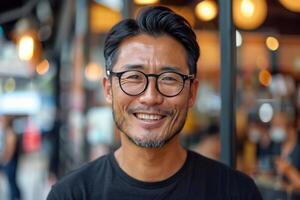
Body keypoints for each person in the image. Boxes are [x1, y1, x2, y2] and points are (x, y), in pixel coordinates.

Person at [47, 6, 262, 199]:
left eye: (169, 79)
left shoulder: (236, 192)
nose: (150, 97)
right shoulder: (71, 194)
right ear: (108, 89)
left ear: (191, 93)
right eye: (133, 77)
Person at [0, 116, 21, 200]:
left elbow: (10, 149)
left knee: (11, 182)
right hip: (9, 161)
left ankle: (15, 197)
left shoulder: (10, 133)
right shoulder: (8, 132)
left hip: (10, 162)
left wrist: (4, 160)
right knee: (11, 182)